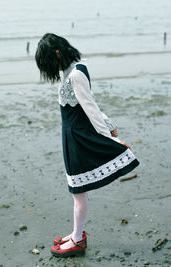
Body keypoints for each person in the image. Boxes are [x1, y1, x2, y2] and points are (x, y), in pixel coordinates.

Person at [35, 33, 140, 258]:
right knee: (77, 191)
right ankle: (77, 233)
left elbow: (91, 107)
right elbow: (89, 105)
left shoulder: (76, 73)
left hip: (79, 139)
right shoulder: (70, 72)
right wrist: (110, 125)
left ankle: (77, 238)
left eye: (47, 62)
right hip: (71, 137)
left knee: (78, 192)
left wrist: (110, 136)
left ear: (56, 53)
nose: (48, 69)